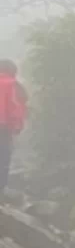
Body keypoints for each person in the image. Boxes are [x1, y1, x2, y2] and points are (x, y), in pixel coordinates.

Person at [0, 61, 27, 195]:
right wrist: (17, 126)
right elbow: (16, 108)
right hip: (3, 128)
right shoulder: (14, 85)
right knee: (3, 158)